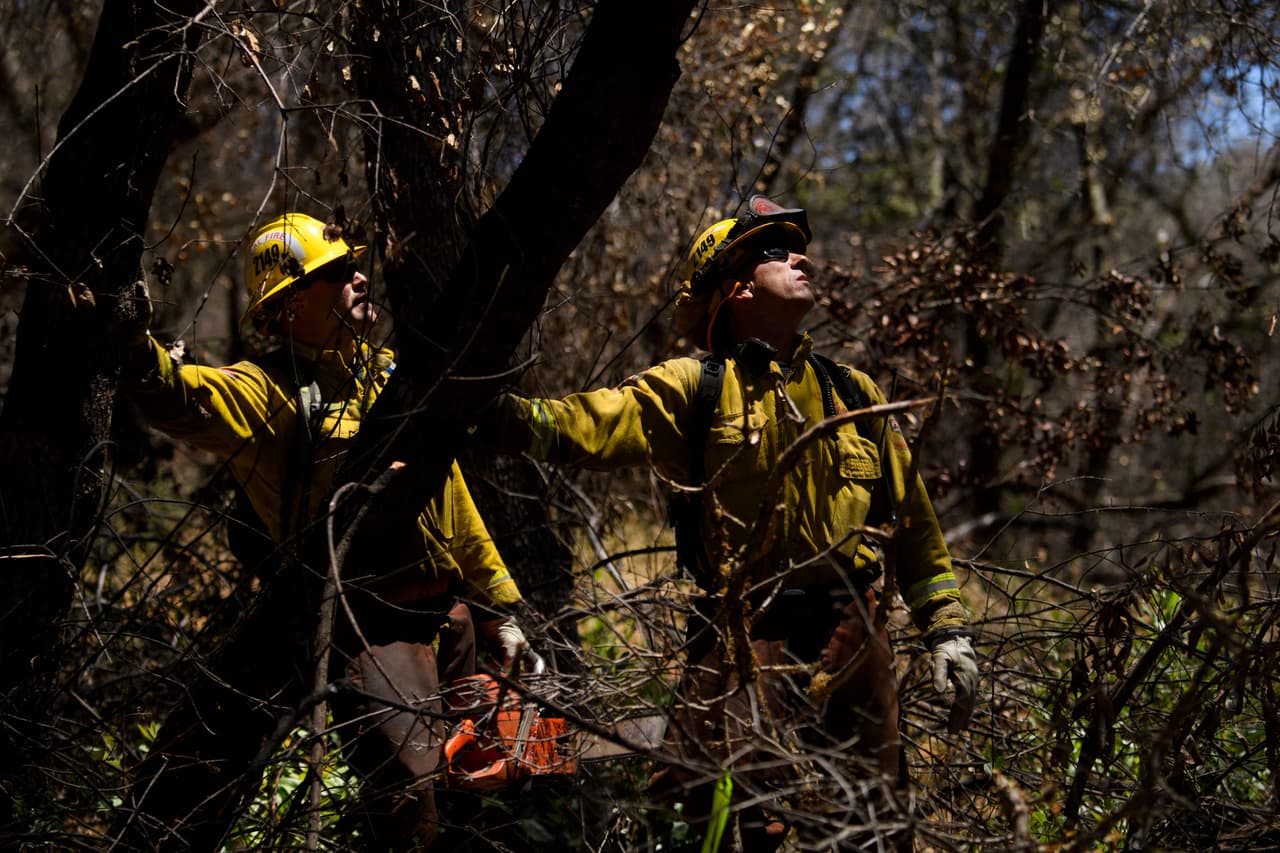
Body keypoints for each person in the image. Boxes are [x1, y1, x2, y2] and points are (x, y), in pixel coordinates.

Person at [473, 195, 979, 850]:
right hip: (743, 631)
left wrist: (948, 631)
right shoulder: (696, 386)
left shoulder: (854, 392)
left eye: (796, 246)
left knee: (872, 820)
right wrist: (486, 409)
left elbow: (914, 525)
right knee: (721, 816)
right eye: (775, 250)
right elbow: (588, 424)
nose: (800, 256)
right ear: (734, 286)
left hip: (854, 628)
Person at [122, 212, 537, 848]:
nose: (361, 278)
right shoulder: (269, 394)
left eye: (355, 265)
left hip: (450, 621)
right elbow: (181, 398)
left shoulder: (391, 377)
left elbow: (456, 502)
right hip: (369, 633)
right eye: (338, 273)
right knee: (405, 804)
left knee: (477, 792)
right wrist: (132, 342)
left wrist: (498, 607)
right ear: (287, 306)